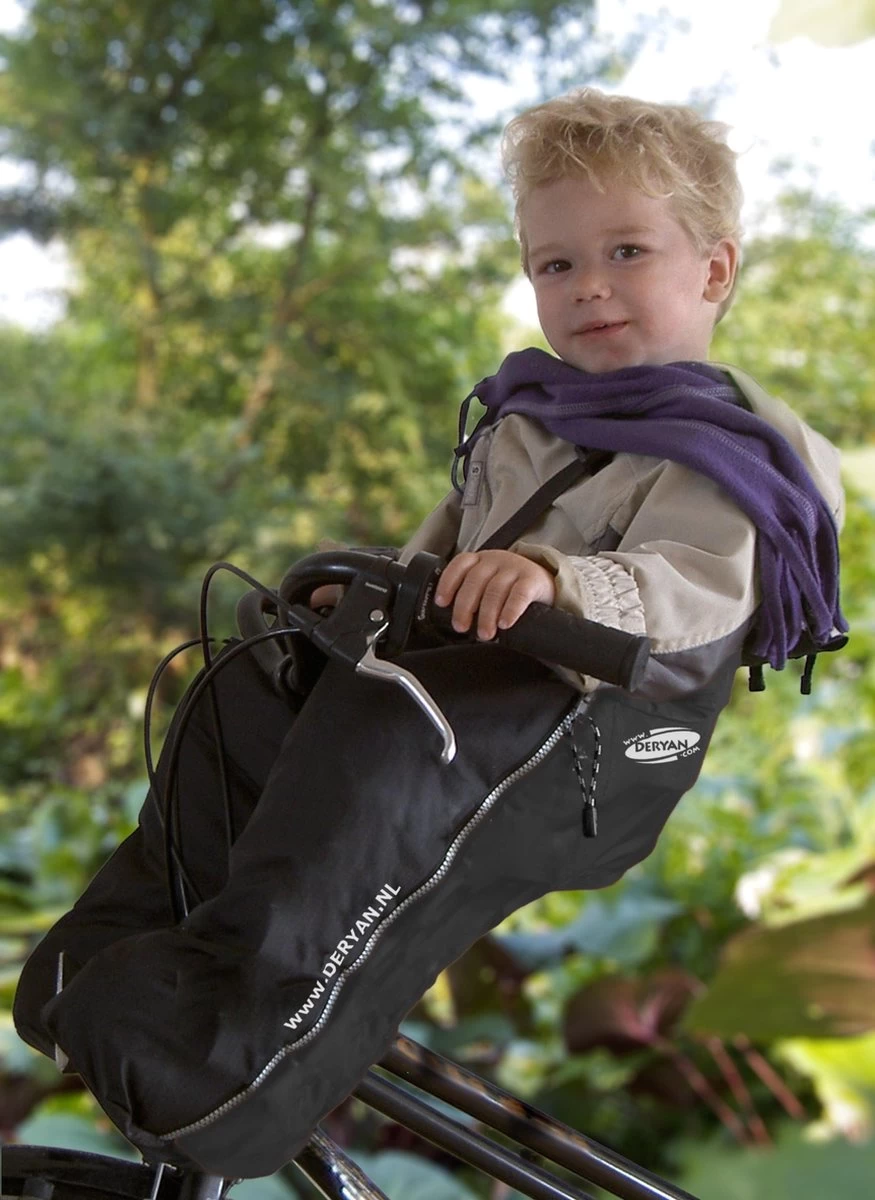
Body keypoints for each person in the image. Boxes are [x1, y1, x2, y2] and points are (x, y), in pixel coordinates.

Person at [14, 89, 846, 1179]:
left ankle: (235, 1053)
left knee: (385, 736)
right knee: (251, 686)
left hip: (599, 741)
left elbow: (693, 585)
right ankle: (122, 960)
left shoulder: (731, 450)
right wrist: (360, 602)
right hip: (471, 695)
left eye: (626, 251)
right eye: (555, 263)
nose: (588, 285)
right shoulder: (524, 418)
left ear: (714, 270)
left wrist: (554, 578)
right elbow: (444, 551)